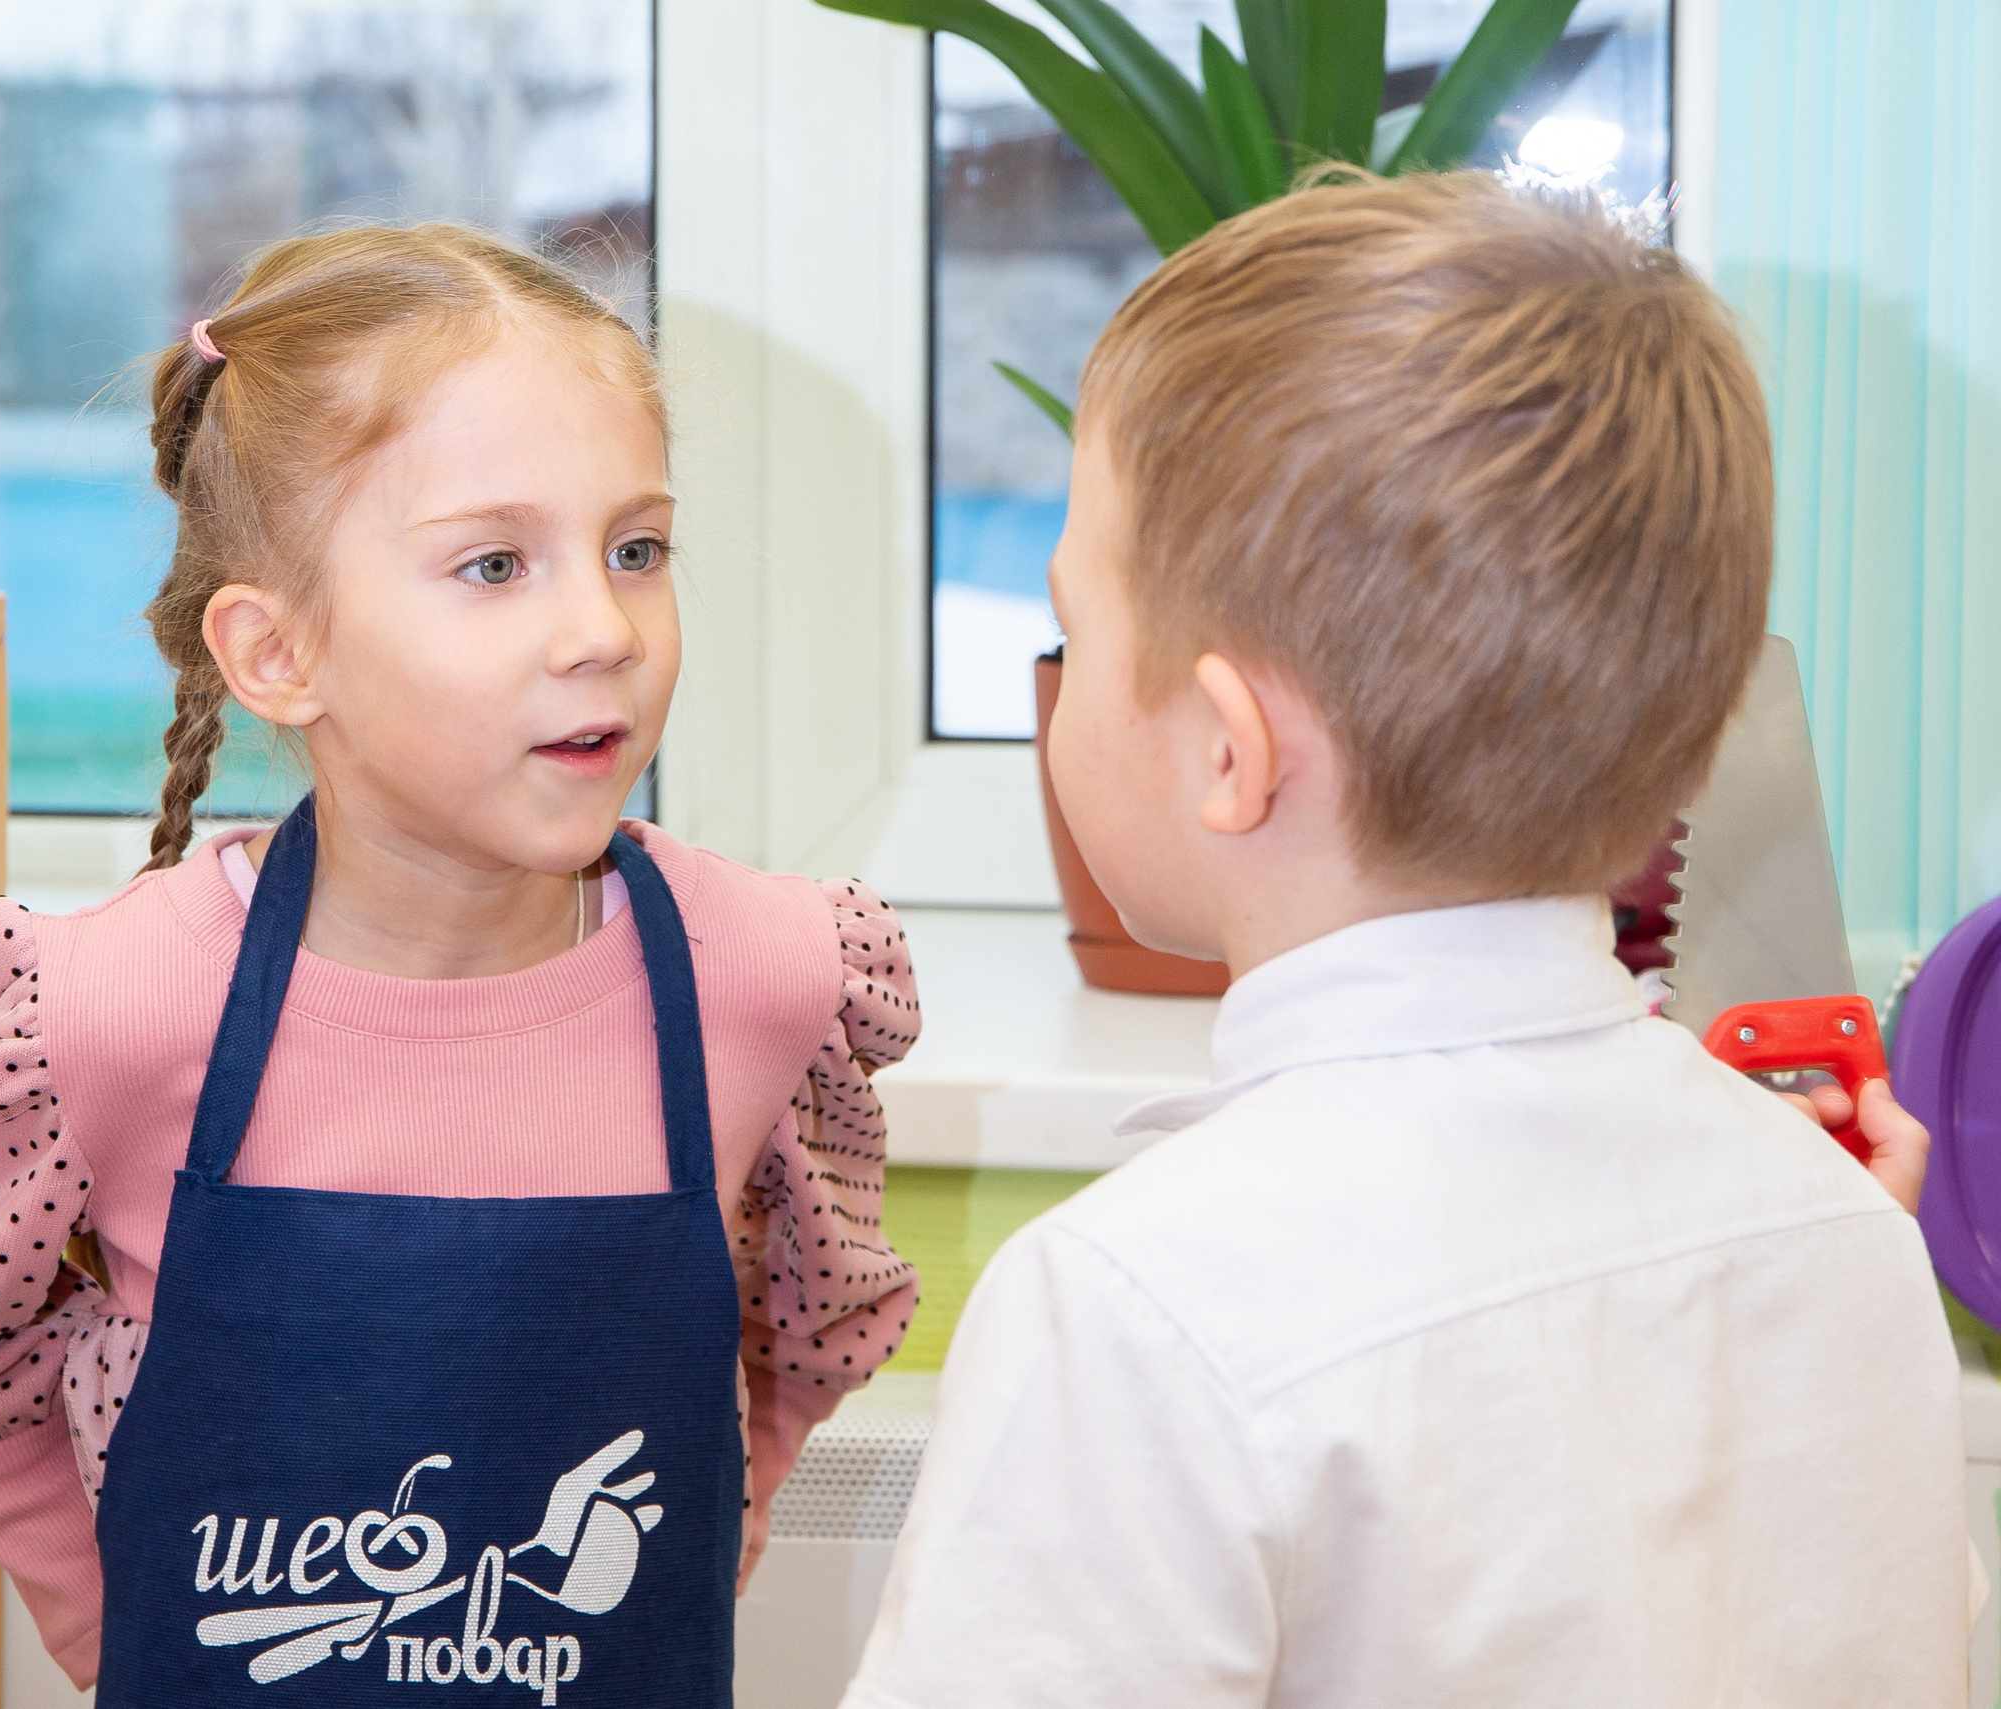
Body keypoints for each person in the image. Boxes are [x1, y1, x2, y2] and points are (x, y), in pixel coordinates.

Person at [842, 173, 1968, 1709]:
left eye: (1075, 628)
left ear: (1231, 751)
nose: (1061, 674)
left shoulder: (1136, 1310)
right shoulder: (1848, 1232)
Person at [0, 225, 921, 1698]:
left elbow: (814, 1317)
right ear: (277, 654)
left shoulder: (766, 975)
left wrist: (709, 1544)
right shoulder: (102, 1011)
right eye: (494, 563)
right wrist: (107, 1600)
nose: (603, 629)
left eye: (636, 550)